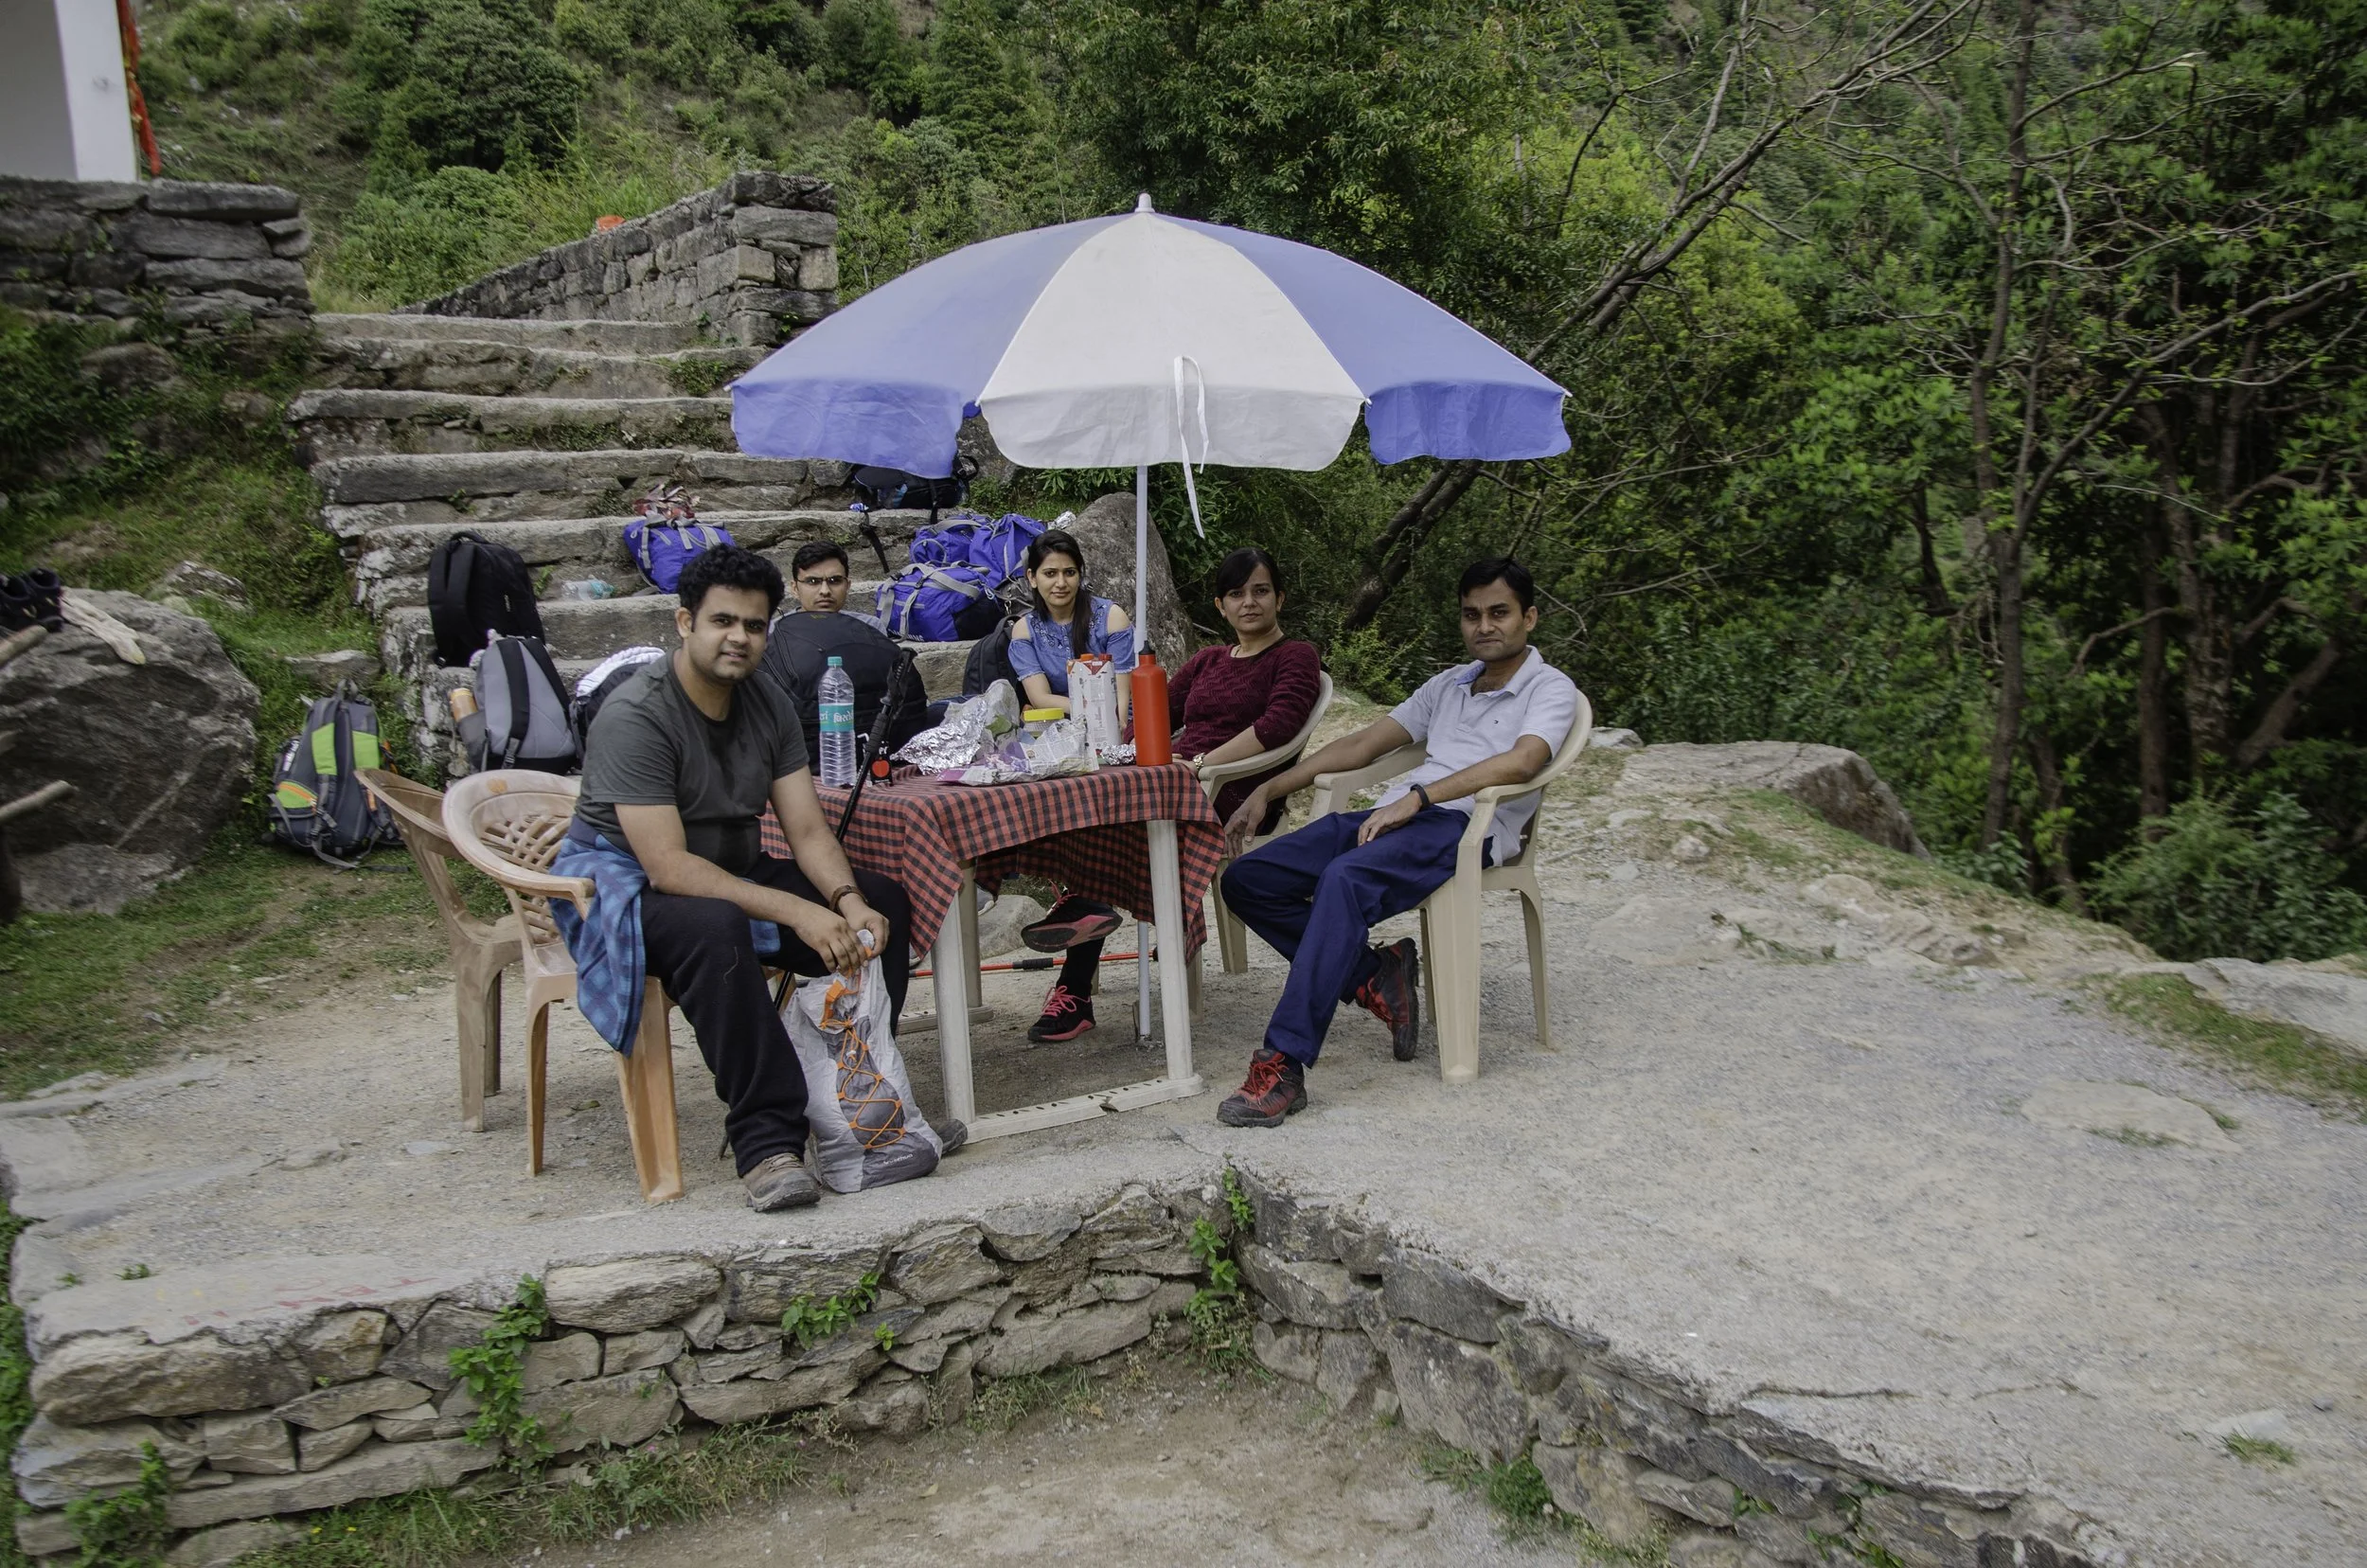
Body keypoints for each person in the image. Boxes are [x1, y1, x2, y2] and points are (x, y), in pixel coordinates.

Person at [568, 544, 931, 1210]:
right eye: (722, 622)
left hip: (733, 867)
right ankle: (768, 1145)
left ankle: (862, 1109)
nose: (739, 638)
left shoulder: (766, 701)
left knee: (883, 903)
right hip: (625, 887)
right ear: (685, 623)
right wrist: (798, 912)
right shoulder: (637, 717)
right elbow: (668, 867)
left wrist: (844, 900)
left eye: (755, 625)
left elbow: (808, 829)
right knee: (716, 927)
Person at [1212, 558, 1577, 1128]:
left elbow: (1524, 759)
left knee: (1344, 880)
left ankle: (1282, 1063)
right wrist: (1270, 787)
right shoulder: (1450, 684)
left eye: (1499, 613)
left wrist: (1423, 797)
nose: (1485, 625)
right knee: (1247, 879)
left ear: (1529, 618)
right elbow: (1363, 744)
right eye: (1472, 614)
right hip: (1403, 816)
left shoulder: (1550, 688)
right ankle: (1372, 973)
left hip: (1465, 828)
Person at [1027, 546, 1323, 1045]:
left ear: (1280, 598)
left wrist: (1205, 764)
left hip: (1237, 788)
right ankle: (1082, 910)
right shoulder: (1209, 659)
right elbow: (1155, 710)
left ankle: (1075, 977)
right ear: (1219, 606)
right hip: (1177, 776)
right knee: (1093, 802)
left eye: (1260, 591)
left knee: (1129, 822)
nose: (1249, 602)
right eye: (1236, 594)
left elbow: (1278, 727)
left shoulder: (1295, 656)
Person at [1002, 530, 1138, 1041]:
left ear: (1081, 574)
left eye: (1069, 571)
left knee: (1093, 812)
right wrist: (1087, 699)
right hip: (1055, 746)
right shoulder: (1023, 631)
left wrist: (1086, 706)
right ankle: (1079, 900)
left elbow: (1122, 700)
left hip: (1113, 745)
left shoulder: (1110, 617)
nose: (1061, 582)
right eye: (1050, 573)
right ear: (1032, 579)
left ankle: (1079, 918)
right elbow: (1036, 699)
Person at [760, 540, 927, 761]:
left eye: (834, 581)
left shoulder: (871, 627)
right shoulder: (775, 634)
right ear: (794, 587)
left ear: (848, 585)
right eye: (812, 581)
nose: (825, 591)